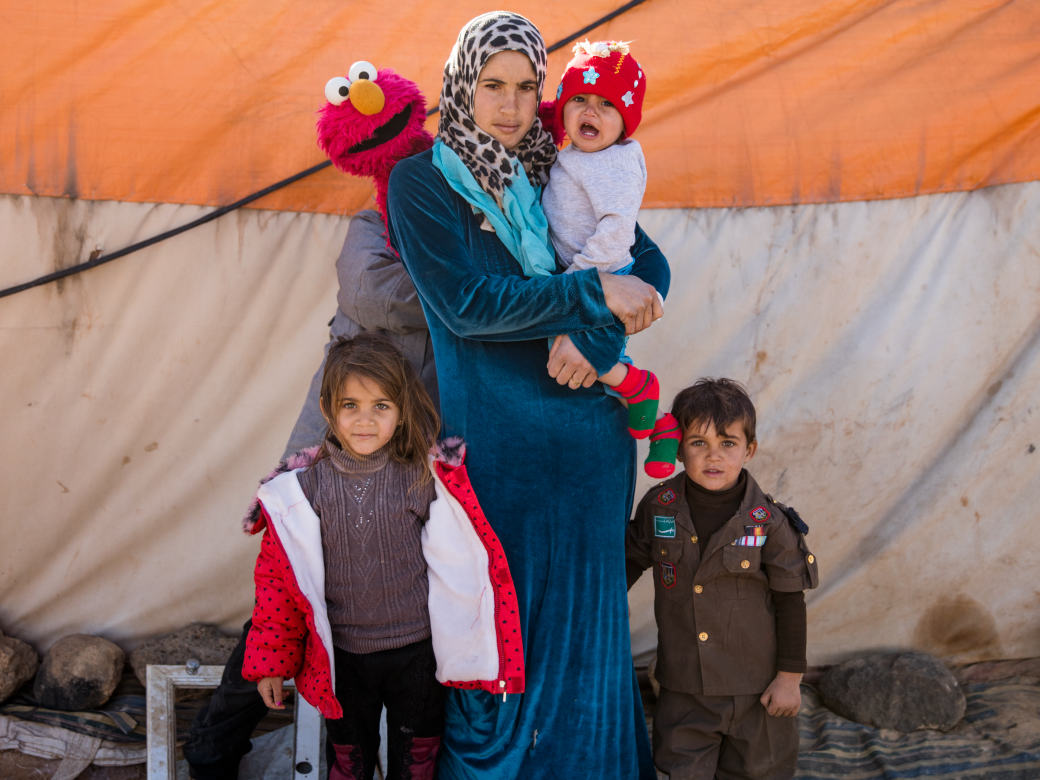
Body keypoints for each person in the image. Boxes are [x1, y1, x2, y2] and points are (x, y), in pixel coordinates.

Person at [386, 11, 669, 779]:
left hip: (590, 447)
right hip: (496, 454)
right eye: (492, 85)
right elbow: (466, 306)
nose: (510, 105)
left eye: (525, 87)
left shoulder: (558, 165)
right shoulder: (421, 182)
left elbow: (649, 267)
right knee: (496, 641)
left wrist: (597, 338)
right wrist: (587, 293)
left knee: (585, 644)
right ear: (461, 86)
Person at [183, 211, 437, 780]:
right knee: (292, 581)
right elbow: (373, 293)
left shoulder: (476, 225)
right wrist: (471, 287)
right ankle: (213, 749)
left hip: (411, 441)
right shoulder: (379, 221)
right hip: (337, 438)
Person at [244, 333, 445, 780]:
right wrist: (272, 664)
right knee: (349, 765)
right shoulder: (303, 491)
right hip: (343, 656)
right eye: (350, 405)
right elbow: (276, 582)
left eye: (381, 406)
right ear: (327, 409)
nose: (365, 420)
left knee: (417, 765)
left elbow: (464, 564)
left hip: (417, 652)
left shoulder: (424, 478)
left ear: (402, 410)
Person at [625, 378, 820, 780]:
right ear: (678, 448)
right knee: (682, 770)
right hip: (683, 688)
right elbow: (624, 567)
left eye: (728, 443)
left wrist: (789, 679)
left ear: (749, 450)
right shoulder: (659, 508)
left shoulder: (770, 524)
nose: (713, 456)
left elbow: (790, 603)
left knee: (759, 771)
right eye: (699, 443)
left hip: (756, 690)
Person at [542, 39, 681, 478]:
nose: (590, 112)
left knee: (568, 354)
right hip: (583, 275)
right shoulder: (573, 157)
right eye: (579, 99)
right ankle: (662, 428)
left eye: (607, 104)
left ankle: (643, 388)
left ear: (625, 122)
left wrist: (575, 284)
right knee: (592, 367)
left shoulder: (617, 163)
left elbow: (618, 230)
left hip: (603, 275)